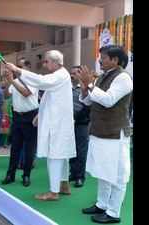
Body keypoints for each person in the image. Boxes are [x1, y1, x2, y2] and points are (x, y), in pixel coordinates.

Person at [5, 50, 76, 200]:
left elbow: (41, 81)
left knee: (55, 155)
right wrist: (40, 114)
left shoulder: (60, 75)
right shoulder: (60, 76)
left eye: (46, 61)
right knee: (61, 154)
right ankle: (64, 185)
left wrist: (17, 70)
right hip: (56, 120)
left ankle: (53, 192)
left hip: (57, 123)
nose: (44, 64)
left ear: (56, 62)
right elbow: (48, 98)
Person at [76, 45, 132, 224]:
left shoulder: (123, 77)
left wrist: (90, 84)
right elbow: (88, 101)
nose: (100, 60)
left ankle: (113, 212)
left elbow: (108, 100)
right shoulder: (102, 76)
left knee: (117, 175)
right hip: (100, 132)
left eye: (104, 57)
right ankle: (102, 204)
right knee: (102, 171)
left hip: (115, 134)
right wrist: (85, 88)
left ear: (115, 60)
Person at [2, 58, 39, 187]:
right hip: (17, 117)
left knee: (29, 149)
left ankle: (26, 175)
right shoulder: (15, 81)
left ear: (27, 67)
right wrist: (7, 81)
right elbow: (6, 95)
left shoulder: (33, 80)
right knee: (15, 148)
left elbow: (26, 93)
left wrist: (11, 80)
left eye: (19, 66)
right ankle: (10, 175)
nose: (15, 68)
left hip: (31, 118)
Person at [69, 66, 90, 188]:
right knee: (70, 149)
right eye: (71, 73)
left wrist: (77, 117)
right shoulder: (66, 88)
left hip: (81, 123)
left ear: (81, 74)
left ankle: (80, 177)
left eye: (75, 73)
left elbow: (88, 106)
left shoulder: (86, 88)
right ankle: (73, 173)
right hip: (67, 124)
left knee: (81, 151)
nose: (72, 75)